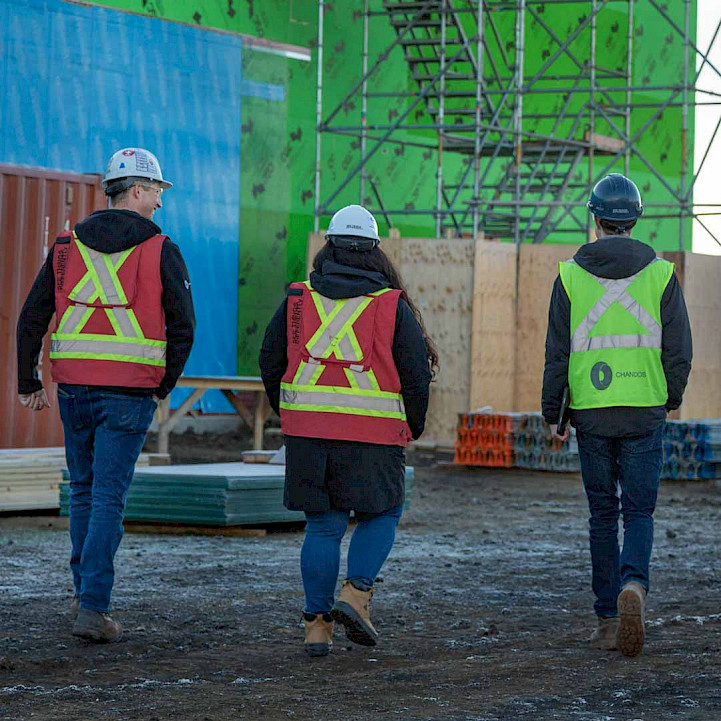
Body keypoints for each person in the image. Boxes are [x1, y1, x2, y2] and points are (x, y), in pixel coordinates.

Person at [17, 147, 195, 642]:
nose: (159, 203)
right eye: (157, 191)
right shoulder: (162, 249)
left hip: (74, 389)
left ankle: (83, 594)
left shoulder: (67, 247)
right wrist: (162, 387)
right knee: (108, 497)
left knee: (84, 491)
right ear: (138, 190)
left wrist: (28, 381)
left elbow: (32, 317)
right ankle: (94, 607)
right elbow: (184, 329)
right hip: (129, 395)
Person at [259, 204, 436, 657]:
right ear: (376, 252)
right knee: (383, 513)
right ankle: (356, 595)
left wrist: (291, 413)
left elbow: (270, 359)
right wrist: (412, 425)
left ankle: (317, 628)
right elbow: (416, 374)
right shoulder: (391, 305)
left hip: (309, 433)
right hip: (374, 435)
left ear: (329, 247)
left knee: (323, 526)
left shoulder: (298, 298)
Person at [542, 174, 692, 657]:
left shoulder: (568, 275)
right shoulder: (663, 275)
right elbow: (679, 350)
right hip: (645, 408)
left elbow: (557, 354)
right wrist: (670, 397)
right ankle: (635, 586)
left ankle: (608, 618)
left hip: (592, 412)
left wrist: (554, 414)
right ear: (635, 219)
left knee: (602, 514)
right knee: (639, 511)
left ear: (596, 217)